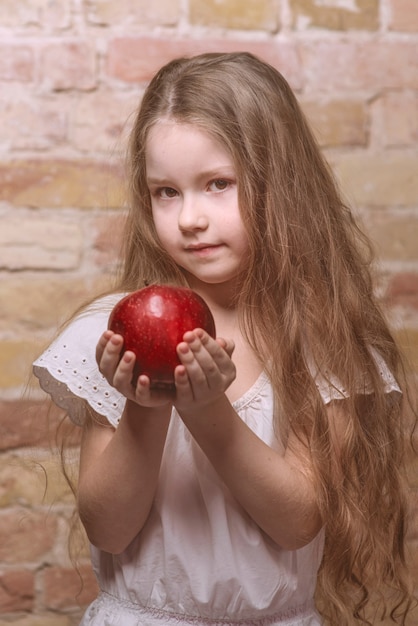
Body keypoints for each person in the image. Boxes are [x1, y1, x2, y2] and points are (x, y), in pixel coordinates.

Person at [33, 52, 416, 626]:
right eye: (166, 192)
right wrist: (145, 407)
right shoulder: (114, 330)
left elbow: (296, 522)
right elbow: (109, 528)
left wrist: (209, 409)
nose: (189, 218)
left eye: (217, 184)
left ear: (281, 186)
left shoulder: (320, 340)